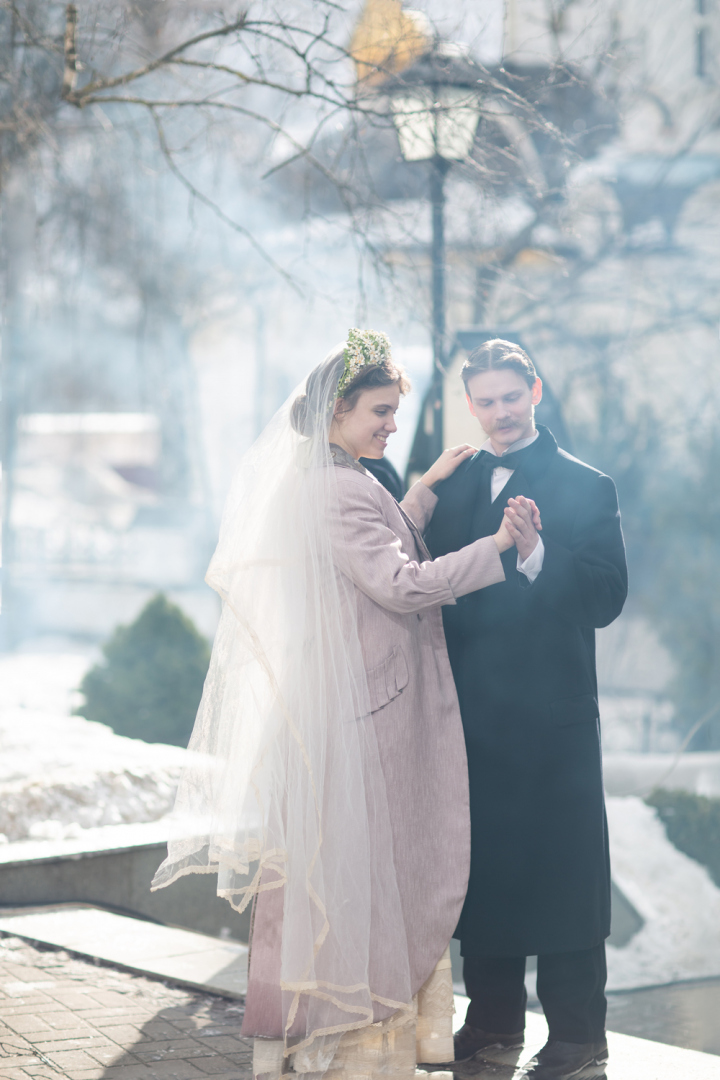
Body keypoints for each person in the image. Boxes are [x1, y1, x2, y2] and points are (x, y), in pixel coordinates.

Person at [151, 330, 538, 1080]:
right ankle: (360, 1052)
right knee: (368, 880)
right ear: (337, 413)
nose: (392, 423)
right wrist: (497, 548)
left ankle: (359, 1044)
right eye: (381, 412)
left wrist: (418, 492)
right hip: (370, 715)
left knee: (362, 877)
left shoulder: (337, 479)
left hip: (356, 710)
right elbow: (398, 583)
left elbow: (378, 546)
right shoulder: (335, 487)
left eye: (394, 410)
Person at [424, 339, 628, 1080]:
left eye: (513, 396)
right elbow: (426, 587)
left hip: (555, 724)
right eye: (487, 401)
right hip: (471, 720)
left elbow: (606, 598)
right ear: (471, 405)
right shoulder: (455, 484)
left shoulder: (588, 484)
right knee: (485, 874)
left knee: (566, 878)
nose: (501, 413)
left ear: (536, 391)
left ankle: (579, 1039)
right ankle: (491, 1026)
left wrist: (537, 552)